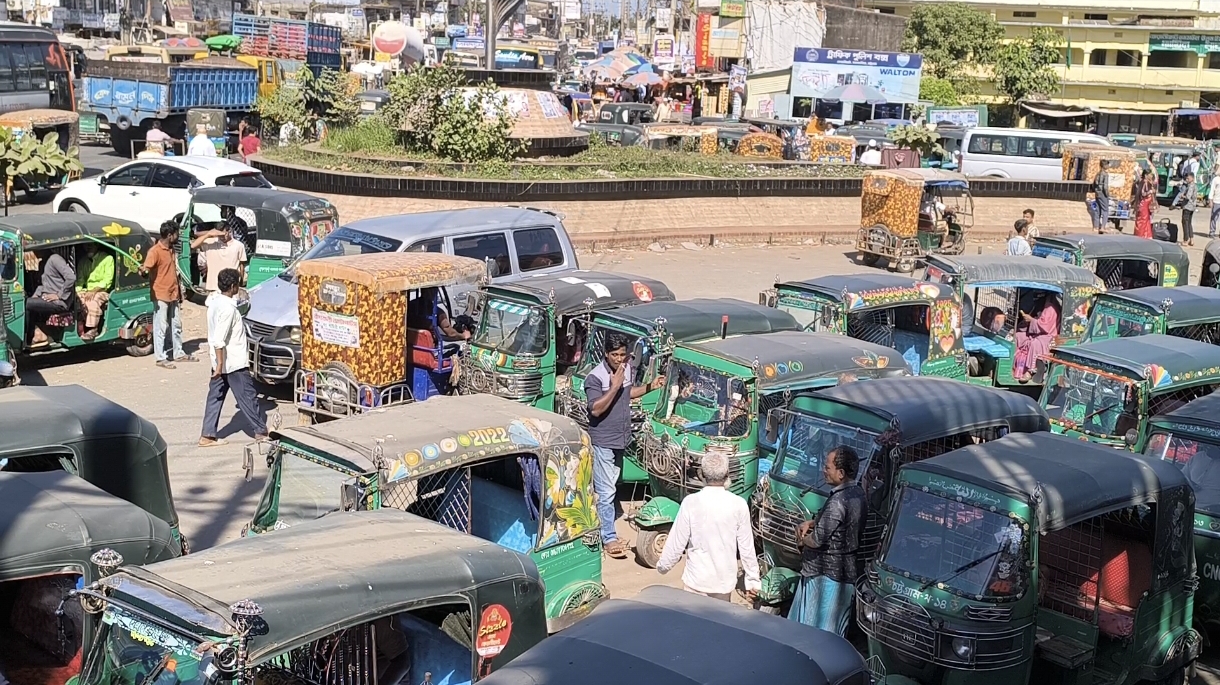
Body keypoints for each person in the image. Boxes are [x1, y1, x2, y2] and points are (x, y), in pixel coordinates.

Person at [585, 333, 665, 559]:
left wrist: (650, 386)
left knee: (612, 485)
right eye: (615, 355)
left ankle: (604, 526)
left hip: (621, 439)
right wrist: (614, 386)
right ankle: (608, 538)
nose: (619, 359)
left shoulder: (626, 369)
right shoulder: (595, 378)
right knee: (606, 491)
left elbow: (627, 394)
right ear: (605, 354)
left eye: (623, 355)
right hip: (603, 440)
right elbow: (596, 409)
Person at [655, 452, 761, 601]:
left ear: (702, 474)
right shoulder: (739, 505)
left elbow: (676, 541)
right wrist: (753, 580)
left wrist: (663, 566)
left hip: (696, 580)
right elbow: (746, 547)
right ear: (727, 474)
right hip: (723, 584)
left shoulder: (691, 502)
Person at [788, 445, 866, 636]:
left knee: (810, 633)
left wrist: (802, 539)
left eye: (827, 467)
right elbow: (841, 521)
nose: (824, 470)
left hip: (824, 577)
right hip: (843, 573)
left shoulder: (837, 502)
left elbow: (817, 540)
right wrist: (814, 522)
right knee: (833, 634)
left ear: (841, 473)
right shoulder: (858, 493)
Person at [200, 268, 267, 447]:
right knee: (248, 397)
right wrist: (221, 365)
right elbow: (219, 340)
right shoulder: (228, 309)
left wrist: (217, 365)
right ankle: (261, 431)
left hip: (219, 362)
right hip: (232, 363)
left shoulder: (214, 302)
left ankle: (207, 435)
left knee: (215, 398)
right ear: (232, 286)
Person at [141, 221, 196, 369]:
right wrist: (143, 271)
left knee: (176, 325)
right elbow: (145, 270)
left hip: (173, 293)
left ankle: (178, 353)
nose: (178, 237)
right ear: (170, 235)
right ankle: (160, 357)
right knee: (161, 326)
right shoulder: (154, 252)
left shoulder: (171, 249)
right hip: (161, 294)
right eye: (177, 234)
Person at [24, 250, 76, 347]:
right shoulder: (42, 263)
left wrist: (59, 295)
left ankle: (31, 337)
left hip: (59, 302)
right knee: (27, 302)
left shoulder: (55, 259)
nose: (35, 252)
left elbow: (71, 278)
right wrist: (35, 296)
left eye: (36, 250)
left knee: (27, 304)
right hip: (47, 299)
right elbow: (42, 285)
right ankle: (35, 334)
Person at [1013, 293, 1061, 382]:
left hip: (1048, 335)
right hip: (1038, 332)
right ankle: (1014, 365)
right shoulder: (1041, 305)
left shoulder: (1050, 308)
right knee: (1018, 336)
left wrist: (1031, 320)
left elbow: (1045, 326)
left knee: (1035, 343)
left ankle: (1031, 370)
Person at [75, 242, 114, 340]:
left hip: (103, 291)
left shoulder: (107, 259)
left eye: (91, 245)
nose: (88, 247)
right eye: (86, 245)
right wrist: (77, 292)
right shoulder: (83, 261)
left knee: (92, 300)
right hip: (87, 290)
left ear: (97, 245)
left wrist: (94, 291)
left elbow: (107, 281)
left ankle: (93, 329)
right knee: (78, 299)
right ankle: (80, 327)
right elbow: (80, 281)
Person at [194, 224, 247, 293]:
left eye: (223, 234)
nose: (221, 237)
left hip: (230, 288)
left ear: (229, 231)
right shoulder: (211, 243)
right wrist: (208, 234)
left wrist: (240, 282)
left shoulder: (239, 246)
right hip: (213, 286)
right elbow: (193, 246)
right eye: (218, 235)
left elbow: (241, 266)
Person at [1175, 171, 1198, 247]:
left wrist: (1182, 196)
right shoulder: (1195, 186)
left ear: (1192, 178)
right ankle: (1191, 239)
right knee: (1189, 223)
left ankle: (1186, 239)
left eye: (1188, 178)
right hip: (1192, 206)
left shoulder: (1191, 186)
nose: (1187, 180)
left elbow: (1188, 196)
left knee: (1185, 223)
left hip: (1188, 206)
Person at [1091, 159, 1112, 234]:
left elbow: (1094, 184)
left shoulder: (1098, 174)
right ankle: (1103, 227)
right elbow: (1105, 187)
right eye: (1107, 164)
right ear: (1105, 165)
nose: (1108, 166)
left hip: (1097, 193)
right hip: (1102, 193)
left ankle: (1096, 227)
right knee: (1105, 210)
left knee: (1098, 210)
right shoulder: (1105, 174)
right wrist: (1107, 194)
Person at [1135, 167, 1157, 240]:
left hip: (1146, 204)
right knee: (1143, 220)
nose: (1151, 175)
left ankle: (1146, 234)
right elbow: (1143, 193)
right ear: (1146, 175)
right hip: (1143, 204)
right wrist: (1150, 191)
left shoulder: (1147, 182)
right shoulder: (1144, 182)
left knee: (1147, 219)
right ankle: (1140, 234)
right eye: (1150, 174)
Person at [1211, 166, 1220, 239]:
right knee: (1214, 218)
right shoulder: (1216, 179)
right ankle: (1212, 232)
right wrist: (1210, 200)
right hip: (1216, 201)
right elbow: (1212, 190)